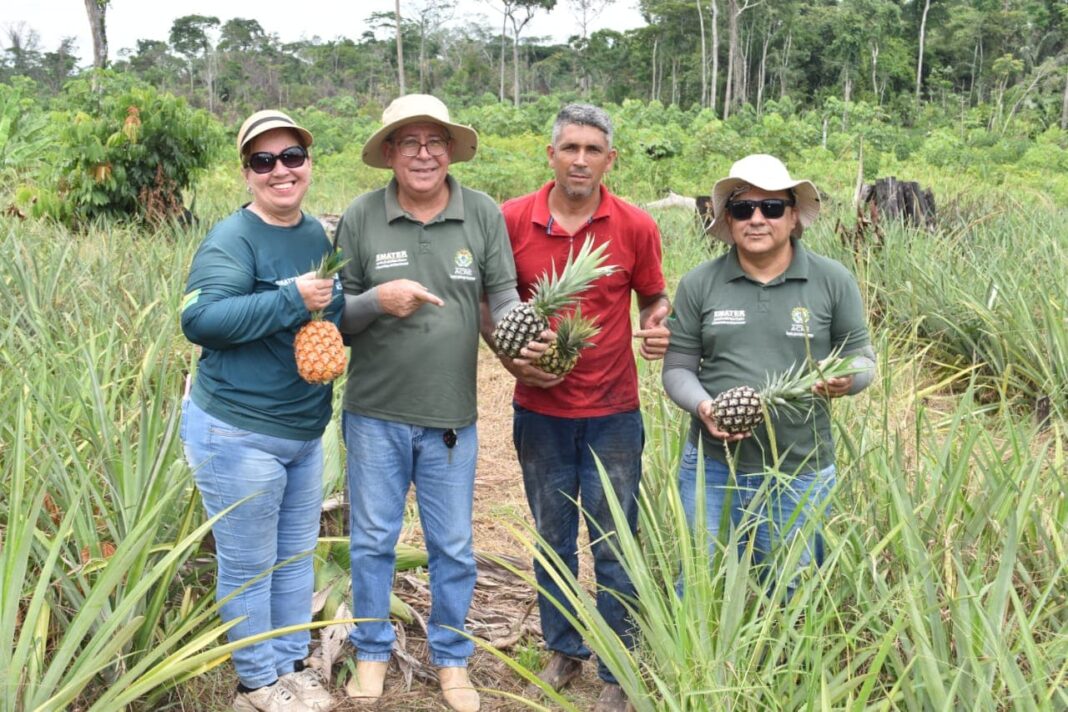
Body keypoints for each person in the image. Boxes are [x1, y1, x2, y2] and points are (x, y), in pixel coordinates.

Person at [333, 94, 533, 712]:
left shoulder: (481, 213)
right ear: (389, 151)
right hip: (374, 413)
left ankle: (451, 660)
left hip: (451, 418)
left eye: (435, 141)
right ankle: (370, 651)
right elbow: (336, 320)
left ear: (450, 149)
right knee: (372, 540)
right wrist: (376, 300)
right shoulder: (361, 217)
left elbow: (501, 296)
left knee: (452, 546)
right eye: (409, 142)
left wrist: (527, 331)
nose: (424, 153)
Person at [482, 103, 670, 712]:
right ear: (552, 154)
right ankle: (564, 646)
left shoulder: (636, 226)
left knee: (615, 539)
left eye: (593, 149)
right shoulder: (510, 220)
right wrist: (510, 357)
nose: (581, 159)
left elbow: (652, 296)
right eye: (570, 148)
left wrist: (657, 325)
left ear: (610, 159)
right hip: (538, 409)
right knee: (553, 535)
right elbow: (490, 302)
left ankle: (619, 664)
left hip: (615, 409)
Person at [180, 110, 341, 712]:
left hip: (302, 428)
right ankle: (256, 685)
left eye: (291, 157)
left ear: (308, 162)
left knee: (296, 554)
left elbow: (332, 315)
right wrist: (289, 296)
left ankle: (291, 668)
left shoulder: (313, 235)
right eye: (263, 161)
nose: (280, 171)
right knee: (250, 563)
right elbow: (200, 320)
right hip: (238, 433)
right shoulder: (232, 238)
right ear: (247, 172)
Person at [662, 154, 876, 592]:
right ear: (728, 218)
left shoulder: (832, 280)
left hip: (802, 467)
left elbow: (862, 356)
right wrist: (702, 405)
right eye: (743, 209)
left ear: (794, 215)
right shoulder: (700, 283)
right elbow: (678, 368)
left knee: (792, 589)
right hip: (713, 467)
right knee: (701, 583)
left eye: (772, 207)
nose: (757, 219)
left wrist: (847, 378)